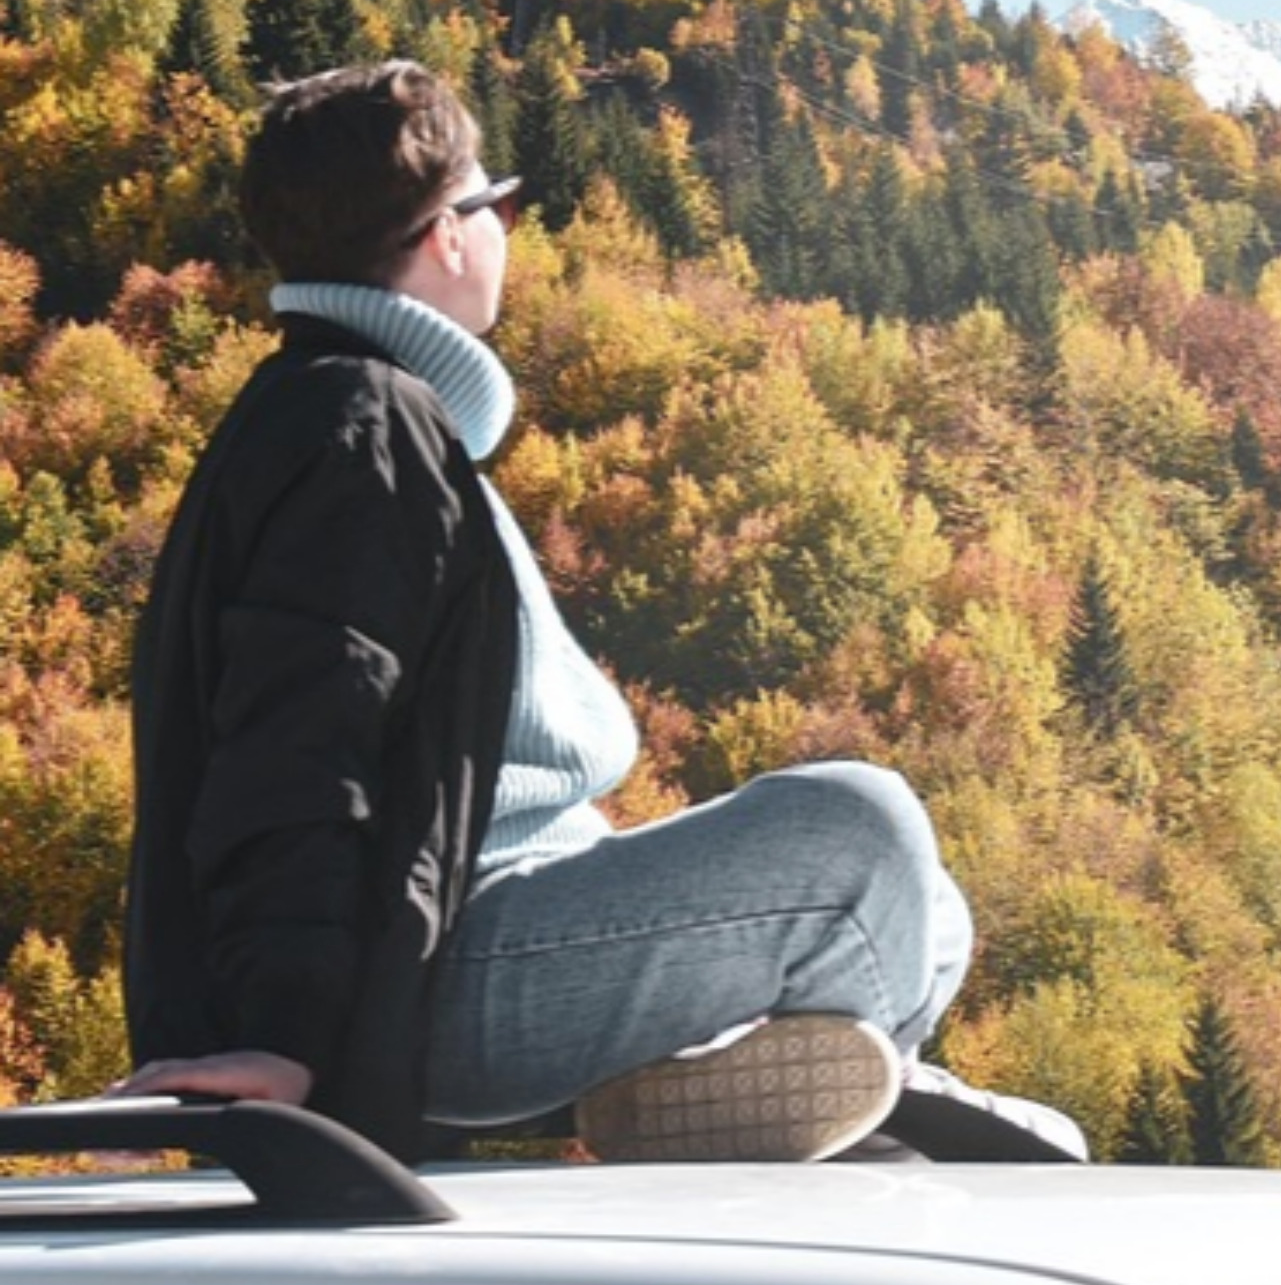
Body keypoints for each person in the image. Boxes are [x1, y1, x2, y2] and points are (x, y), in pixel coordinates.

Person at [119, 58, 1083, 1164]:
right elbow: (297, 740)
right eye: (502, 204)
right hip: (446, 974)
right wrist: (285, 1034)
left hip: (489, 937)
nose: (508, 232)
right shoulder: (359, 429)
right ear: (448, 233)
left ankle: (805, 1080)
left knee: (934, 905)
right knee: (861, 831)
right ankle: (879, 1107)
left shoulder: (355, 419)